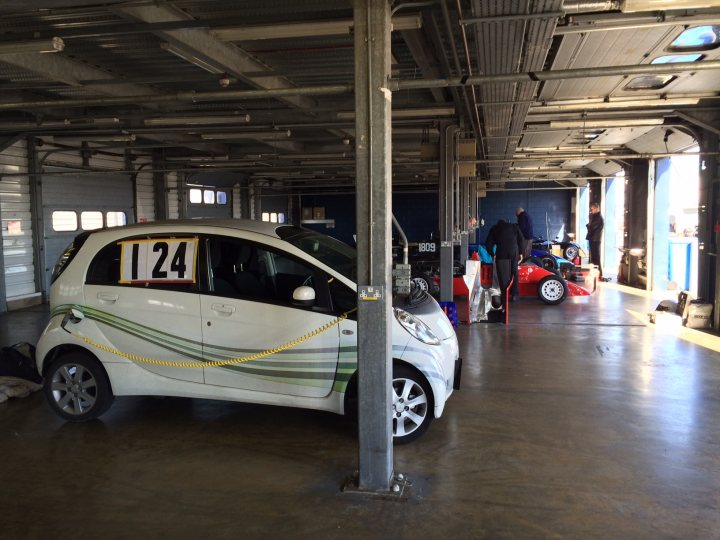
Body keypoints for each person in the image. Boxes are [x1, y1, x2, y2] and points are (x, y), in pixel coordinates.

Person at [485, 219, 524, 303]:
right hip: (513, 251)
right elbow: (521, 240)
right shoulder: (514, 226)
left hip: (501, 252)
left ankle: (504, 295)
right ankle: (515, 295)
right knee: (514, 272)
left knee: (502, 274)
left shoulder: (494, 229)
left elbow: (488, 243)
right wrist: (520, 252)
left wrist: (492, 254)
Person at [586, 202, 605, 280]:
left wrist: (588, 225)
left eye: (592, 209)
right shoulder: (595, 217)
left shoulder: (598, 218)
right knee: (594, 257)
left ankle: (599, 274)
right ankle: (596, 273)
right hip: (593, 239)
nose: (591, 211)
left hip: (595, 240)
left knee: (596, 257)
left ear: (597, 209)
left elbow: (591, 227)